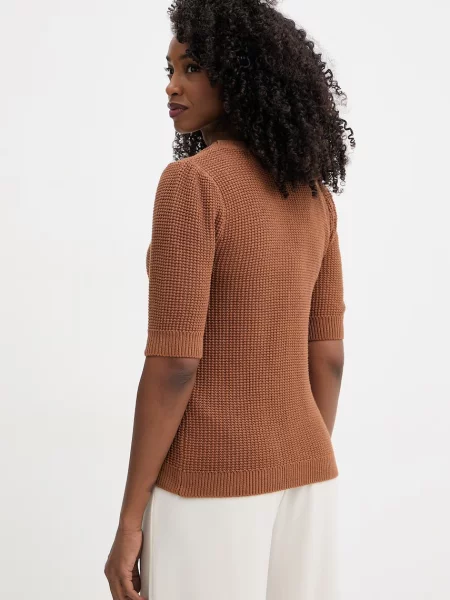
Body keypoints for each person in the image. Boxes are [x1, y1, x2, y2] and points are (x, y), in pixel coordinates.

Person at [104, 0, 355, 598]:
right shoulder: (314, 196)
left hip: (209, 484)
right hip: (309, 476)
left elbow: (175, 364)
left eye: (192, 68)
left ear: (241, 74)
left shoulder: (193, 183)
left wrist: (130, 520)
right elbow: (329, 357)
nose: (172, 86)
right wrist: (295, 450)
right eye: (169, 70)